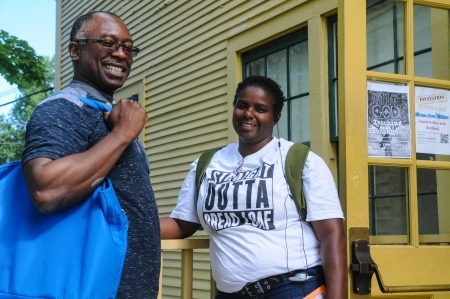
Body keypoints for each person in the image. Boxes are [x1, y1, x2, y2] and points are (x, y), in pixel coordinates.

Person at [160, 76, 346, 298]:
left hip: (293, 288)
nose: (248, 114)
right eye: (242, 105)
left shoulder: (300, 160)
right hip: (230, 293)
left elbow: (331, 234)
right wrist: (125, 225)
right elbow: (183, 223)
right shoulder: (208, 163)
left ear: (275, 117)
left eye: (260, 109)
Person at [22, 11, 160, 298]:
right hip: (90, 288)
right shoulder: (63, 108)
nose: (121, 54)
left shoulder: (108, 114)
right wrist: (122, 134)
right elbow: (46, 190)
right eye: (108, 43)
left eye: (128, 47)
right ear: (75, 50)